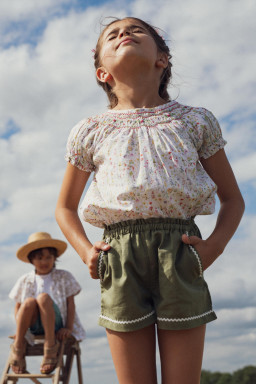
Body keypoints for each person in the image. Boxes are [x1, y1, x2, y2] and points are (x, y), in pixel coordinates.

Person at [55, 16, 245, 384]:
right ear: (101, 73)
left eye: (136, 30)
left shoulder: (195, 121)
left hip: (181, 251)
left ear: (163, 59)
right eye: (112, 35)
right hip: (119, 256)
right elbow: (64, 207)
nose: (124, 34)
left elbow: (233, 198)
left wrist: (213, 248)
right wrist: (85, 252)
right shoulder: (90, 130)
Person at [9, 232, 86, 375]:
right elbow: (18, 307)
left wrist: (68, 327)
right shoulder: (25, 280)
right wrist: (21, 330)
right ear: (31, 259)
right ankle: (18, 346)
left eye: (48, 257)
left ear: (55, 258)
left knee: (43, 298)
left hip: (55, 324)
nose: (44, 262)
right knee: (29, 302)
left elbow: (70, 304)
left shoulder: (64, 276)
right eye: (39, 258)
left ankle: (50, 346)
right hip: (32, 324)